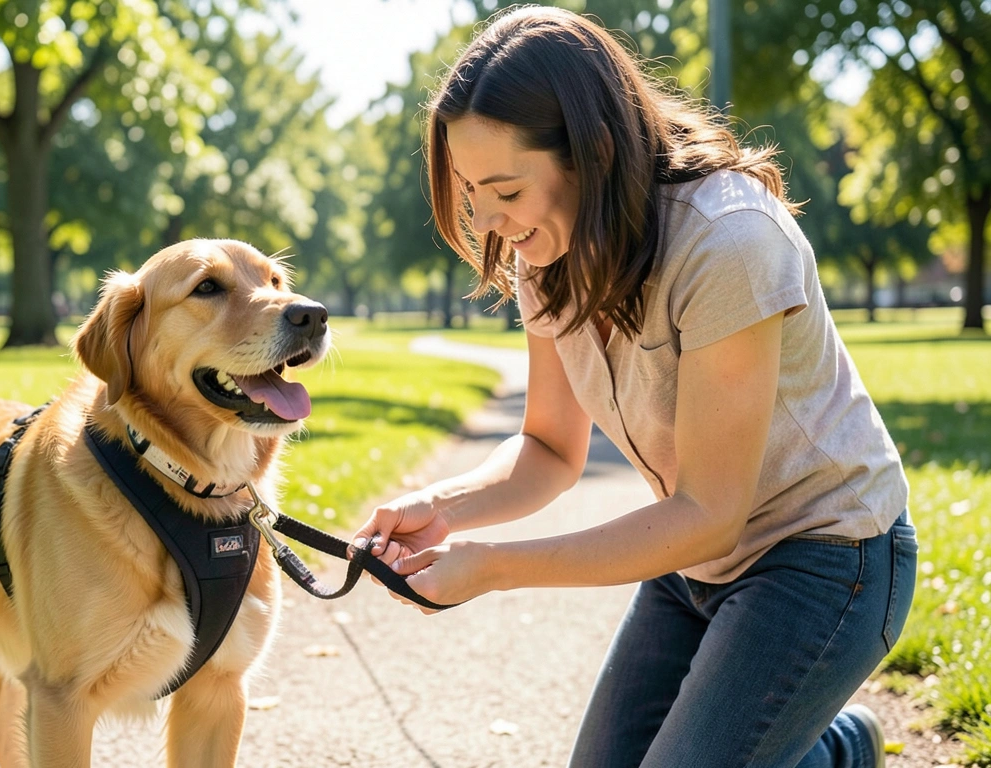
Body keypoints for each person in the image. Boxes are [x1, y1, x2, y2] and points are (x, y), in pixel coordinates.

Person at [350, 7, 917, 767]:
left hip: (826, 558)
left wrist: (494, 567)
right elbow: (550, 448)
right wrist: (440, 508)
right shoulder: (544, 253)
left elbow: (712, 514)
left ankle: (835, 747)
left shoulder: (729, 240)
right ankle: (824, 753)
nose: (485, 219)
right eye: (469, 190)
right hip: (694, 564)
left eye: (505, 190)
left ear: (594, 153)